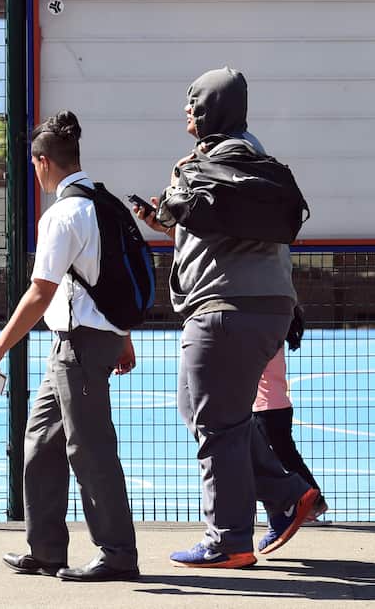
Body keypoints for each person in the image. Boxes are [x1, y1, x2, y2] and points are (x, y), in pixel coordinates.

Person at [135, 67, 319, 569]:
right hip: (269, 308)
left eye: (192, 103)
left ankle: (228, 539)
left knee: (215, 423)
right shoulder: (259, 166)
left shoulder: (196, 168)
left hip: (219, 308)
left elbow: (206, 224)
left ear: (208, 110)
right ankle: (286, 494)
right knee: (207, 412)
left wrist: (167, 213)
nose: (186, 113)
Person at [0, 110, 140, 583]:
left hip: (79, 346)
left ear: (43, 161)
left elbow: (41, 291)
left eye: (33, 164)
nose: (34, 173)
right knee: (41, 442)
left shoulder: (63, 214)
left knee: (90, 449)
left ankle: (118, 554)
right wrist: (123, 336)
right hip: (84, 342)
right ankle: (45, 549)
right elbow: (108, 281)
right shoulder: (104, 203)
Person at [254, 337, 329, 523]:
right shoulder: (273, 336)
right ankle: (311, 502)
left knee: (276, 460)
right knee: (285, 458)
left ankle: (311, 503)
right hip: (275, 407)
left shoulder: (264, 341)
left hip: (267, 409)